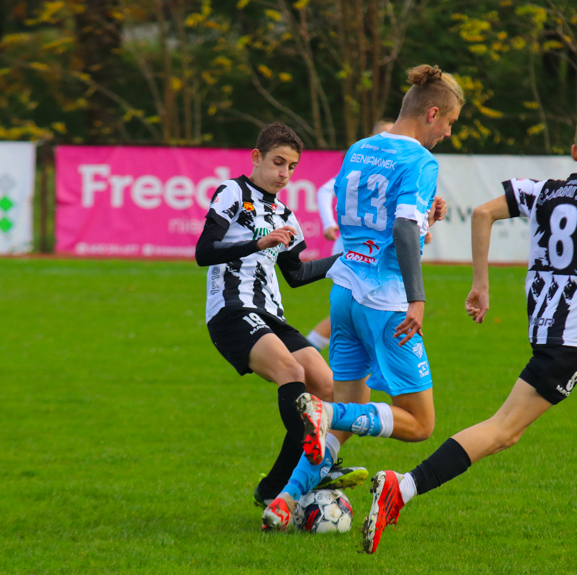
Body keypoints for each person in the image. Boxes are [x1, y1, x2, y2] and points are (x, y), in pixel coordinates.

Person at [358, 110, 577, 554]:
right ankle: (402, 488)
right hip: (568, 343)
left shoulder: (542, 190)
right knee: (503, 431)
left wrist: (481, 283)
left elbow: (482, 213)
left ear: (575, 152)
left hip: (574, 331)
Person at [289, 65, 463, 487]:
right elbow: (401, 230)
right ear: (433, 113)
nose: (449, 134)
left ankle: (287, 500)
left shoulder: (360, 149)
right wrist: (417, 299)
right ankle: (327, 410)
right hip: (385, 302)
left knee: (345, 422)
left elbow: (381, 226)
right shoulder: (421, 160)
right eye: (450, 124)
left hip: (345, 294)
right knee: (420, 424)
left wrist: (427, 218)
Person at [194, 122, 364, 529]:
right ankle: (320, 463)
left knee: (324, 384)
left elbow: (298, 274)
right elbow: (203, 252)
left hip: (272, 315)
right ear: (256, 157)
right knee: (293, 371)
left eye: (291, 166)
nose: (284, 173)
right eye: (277, 162)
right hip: (232, 312)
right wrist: (258, 243)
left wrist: (349, 258)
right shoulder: (232, 193)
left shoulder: (286, 214)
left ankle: (273, 487)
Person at [305, 118, 396, 351]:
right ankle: (305, 353)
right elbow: (326, 190)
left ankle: (306, 353)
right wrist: (328, 223)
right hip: (354, 249)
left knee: (356, 313)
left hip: (373, 252)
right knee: (361, 311)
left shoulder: (395, 171)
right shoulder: (364, 169)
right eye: (383, 136)